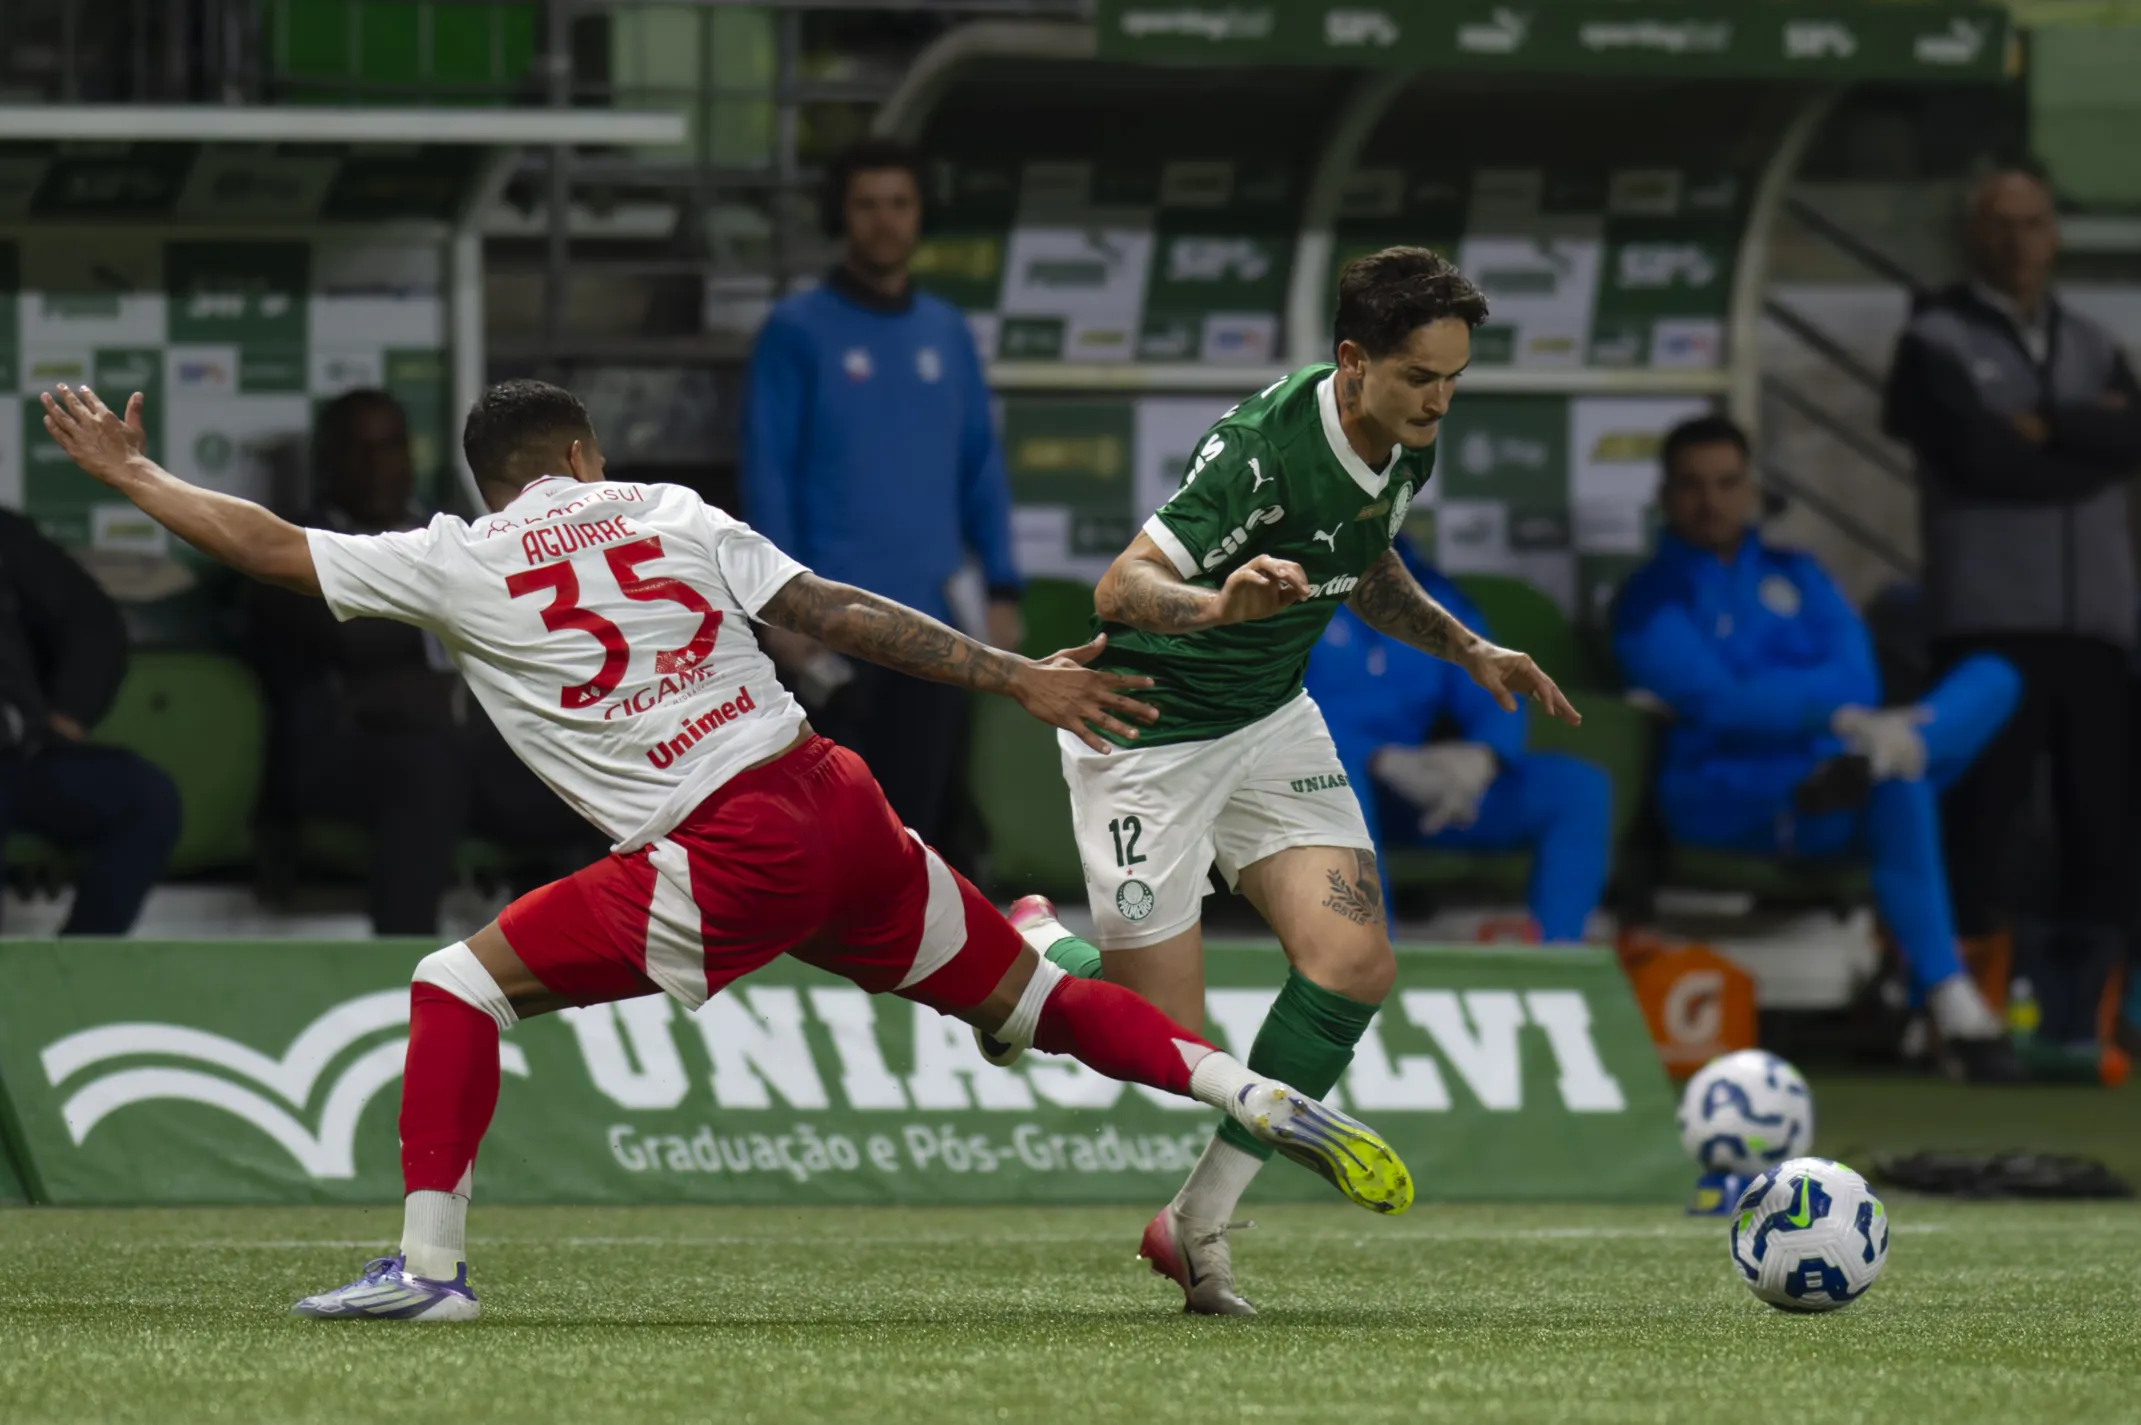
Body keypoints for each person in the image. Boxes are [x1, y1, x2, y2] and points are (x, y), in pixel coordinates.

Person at [41, 377, 1412, 1323]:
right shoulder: (667, 511)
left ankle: (429, 1266)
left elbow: (272, 547)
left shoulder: (452, 558)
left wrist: (131, 470)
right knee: (1040, 1003)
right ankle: (1241, 1091)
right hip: (836, 796)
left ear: (494, 477)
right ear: (582, 456)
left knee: (455, 986)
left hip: (725, 845)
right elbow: (842, 613)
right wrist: (1018, 678)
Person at [984, 247, 1579, 1315]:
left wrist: (1469, 650)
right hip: (1150, 732)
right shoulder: (1259, 454)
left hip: (1268, 723)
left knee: (1351, 962)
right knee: (1163, 1038)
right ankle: (1031, 947)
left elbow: (1366, 557)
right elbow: (1122, 586)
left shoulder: (1407, 435)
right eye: (1416, 377)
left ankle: (1195, 1226)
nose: (1438, 400)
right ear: (1351, 361)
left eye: (1452, 378)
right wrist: (1217, 608)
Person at [1611, 414, 2022, 1081]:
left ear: (1749, 490)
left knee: (1995, 676)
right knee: (1899, 783)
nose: (1709, 500)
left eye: (1725, 483)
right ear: (1664, 495)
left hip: (1833, 772)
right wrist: (1829, 712)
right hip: (1731, 792)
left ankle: (1887, 756)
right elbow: (1713, 700)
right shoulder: (1648, 596)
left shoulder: (1797, 572)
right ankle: (1951, 1000)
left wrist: (1819, 708)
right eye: (1691, 485)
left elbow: (1855, 675)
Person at [1884, 166, 2141, 1059]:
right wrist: (2086, 441)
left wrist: (2046, 425)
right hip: (1989, 621)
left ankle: (2090, 1020)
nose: (2015, 240)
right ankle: (1962, 1012)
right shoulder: (1934, 338)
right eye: (1997, 224)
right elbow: (1983, 459)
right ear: (1970, 237)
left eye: (2031, 223)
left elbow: (2130, 435)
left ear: (2054, 235)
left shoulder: (2093, 340)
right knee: (1980, 821)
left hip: (2098, 622)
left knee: (2103, 822)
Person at [743, 135, 1022, 854]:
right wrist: (780, 605)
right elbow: (766, 469)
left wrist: (1002, 584)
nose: (884, 220)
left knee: (919, 831)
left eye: (899, 203)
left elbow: (980, 466)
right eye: (865, 204)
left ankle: (914, 968)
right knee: (831, 835)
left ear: (921, 213)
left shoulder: (947, 333)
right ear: (840, 214)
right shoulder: (795, 332)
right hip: (830, 625)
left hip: (931, 625)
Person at [246, 389, 607, 933]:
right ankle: (403, 968)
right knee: (427, 765)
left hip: (481, 750)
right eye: (357, 449)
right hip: (347, 755)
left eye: (389, 446)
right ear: (327, 459)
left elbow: (539, 619)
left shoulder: (461, 534)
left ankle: (610, 958)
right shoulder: (292, 545)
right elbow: (350, 639)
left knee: (602, 772)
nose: (376, 465)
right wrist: (469, 615)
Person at [1306, 534, 1610, 940]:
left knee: (1578, 788)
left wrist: (1482, 758)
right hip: (1309, 796)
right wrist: (1377, 759)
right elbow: (1260, 710)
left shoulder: (1431, 592)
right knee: (1334, 780)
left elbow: (1490, 690)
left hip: (1412, 795)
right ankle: (1370, 974)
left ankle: (1555, 969)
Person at [0, 508, 181, 934]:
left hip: (18, 755)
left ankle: (76, 973)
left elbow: (92, 621)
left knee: (145, 799)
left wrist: (70, 710)